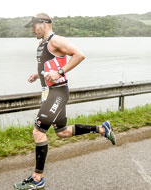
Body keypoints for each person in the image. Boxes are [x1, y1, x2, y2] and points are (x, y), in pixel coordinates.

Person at [14, 13, 116, 190]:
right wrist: (37, 74)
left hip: (58, 93)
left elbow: (79, 55)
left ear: (44, 24)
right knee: (62, 132)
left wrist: (60, 72)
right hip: (49, 93)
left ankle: (38, 179)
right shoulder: (42, 44)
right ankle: (102, 129)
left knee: (38, 132)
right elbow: (47, 65)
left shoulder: (57, 40)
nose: (31, 30)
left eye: (33, 26)